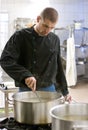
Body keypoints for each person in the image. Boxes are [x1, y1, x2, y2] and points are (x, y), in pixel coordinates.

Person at [0, 7, 72, 102]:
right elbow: (6, 60)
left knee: (48, 116)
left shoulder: (54, 39)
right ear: (38, 19)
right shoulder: (20, 36)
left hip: (49, 88)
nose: (48, 31)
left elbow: (58, 66)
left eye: (52, 28)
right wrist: (25, 75)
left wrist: (65, 91)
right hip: (28, 89)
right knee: (28, 116)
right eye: (45, 26)